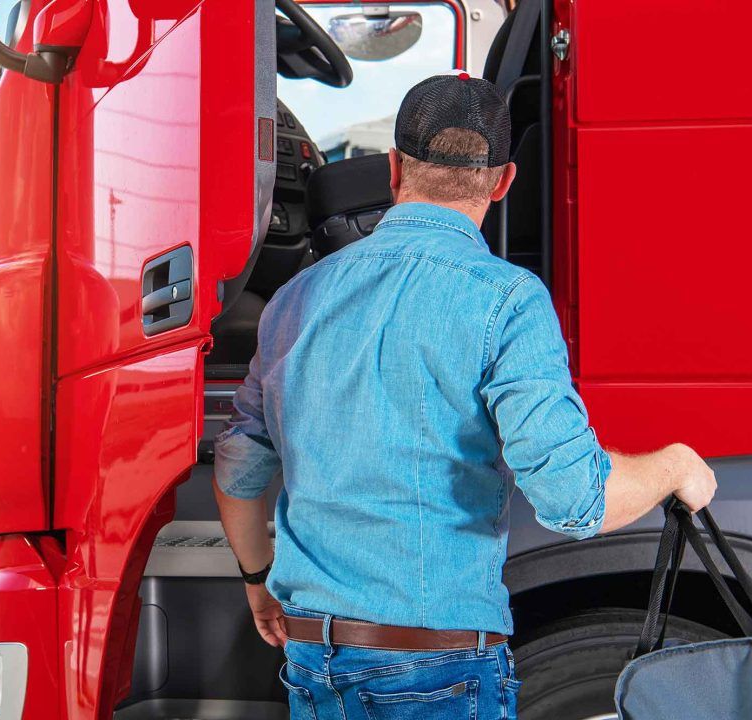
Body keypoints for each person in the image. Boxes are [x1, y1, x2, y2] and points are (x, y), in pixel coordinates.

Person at [211, 74, 717, 720]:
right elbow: (574, 502)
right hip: (438, 667)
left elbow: (236, 469)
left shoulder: (295, 299)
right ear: (503, 181)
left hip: (316, 660)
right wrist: (674, 465)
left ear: (394, 168)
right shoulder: (506, 300)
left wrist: (260, 582)